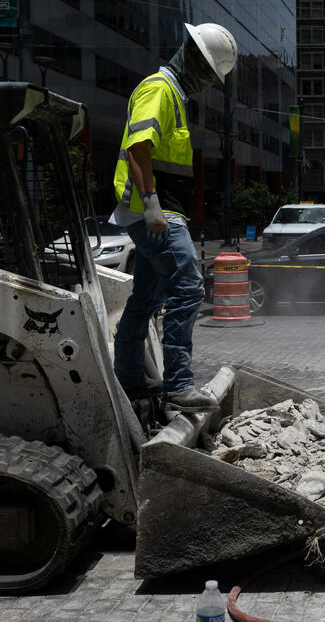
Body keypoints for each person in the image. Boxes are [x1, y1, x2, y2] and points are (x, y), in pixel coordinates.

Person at [111, 22, 237, 412]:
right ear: (195, 59)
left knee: (147, 295)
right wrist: (150, 203)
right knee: (189, 287)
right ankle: (178, 385)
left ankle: (130, 378)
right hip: (154, 211)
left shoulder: (175, 95)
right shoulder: (159, 89)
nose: (208, 84)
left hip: (159, 210)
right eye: (209, 75)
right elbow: (139, 147)